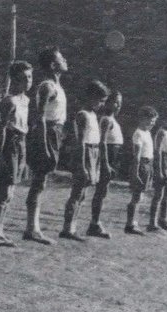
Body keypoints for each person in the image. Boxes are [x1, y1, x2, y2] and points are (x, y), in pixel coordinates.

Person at [23, 47, 69, 244]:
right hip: (46, 134)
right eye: (61, 59)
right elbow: (39, 117)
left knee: (41, 183)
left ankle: (33, 227)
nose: (65, 60)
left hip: (55, 133)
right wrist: (43, 145)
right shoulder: (47, 86)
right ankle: (32, 228)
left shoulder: (57, 86)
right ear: (52, 65)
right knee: (38, 182)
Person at [0, 61, 32, 246]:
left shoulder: (26, 100)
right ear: (14, 80)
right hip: (9, 145)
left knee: (11, 192)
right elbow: (1, 129)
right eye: (23, 78)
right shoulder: (9, 101)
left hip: (21, 143)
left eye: (30, 77)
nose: (28, 81)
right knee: (4, 191)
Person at [59, 80, 110, 240]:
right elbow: (80, 142)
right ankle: (68, 229)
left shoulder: (94, 115)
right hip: (84, 154)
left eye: (103, 101)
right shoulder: (83, 115)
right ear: (90, 97)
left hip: (93, 153)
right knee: (77, 193)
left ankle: (72, 227)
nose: (101, 104)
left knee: (83, 195)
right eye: (100, 100)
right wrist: (82, 166)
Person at [86, 89, 124, 238]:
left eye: (120, 103)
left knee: (104, 191)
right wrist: (106, 164)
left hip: (114, 158)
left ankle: (96, 222)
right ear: (107, 103)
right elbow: (102, 143)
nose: (118, 106)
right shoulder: (106, 120)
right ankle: (94, 223)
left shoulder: (113, 120)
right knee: (100, 191)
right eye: (115, 102)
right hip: (107, 158)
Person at [123, 106, 159, 234]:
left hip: (148, 164)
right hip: (141, 164)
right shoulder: (138, 133)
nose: (152, 124)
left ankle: (134, 222)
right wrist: (136, 172)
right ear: (142, 119)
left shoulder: (148, 133)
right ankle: (130, 224)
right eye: (150, 121)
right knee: (136, 196)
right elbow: (136, 156)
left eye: (154, 122)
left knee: (141, 196)